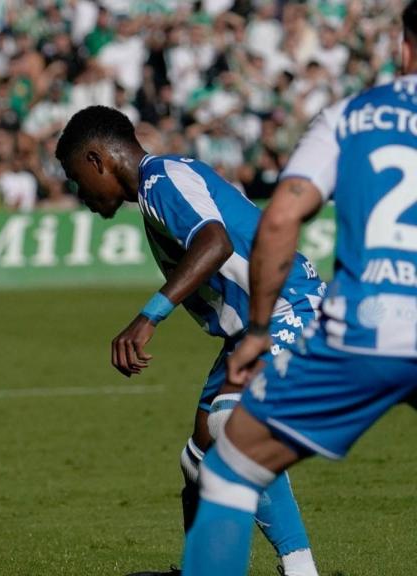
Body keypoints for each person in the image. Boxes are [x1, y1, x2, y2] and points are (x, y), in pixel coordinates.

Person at [182, 2, 417, 574]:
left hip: (362, 329)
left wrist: (260, 328)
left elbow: (282, 220)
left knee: (232, 461)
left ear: (404, 49)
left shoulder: (352, 116)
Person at [54, 106, 323, 576]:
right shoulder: (160, 187)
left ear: (97, 159)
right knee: (198, 460)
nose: (81, 194)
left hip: (289, 306)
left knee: (229, 426)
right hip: (249, 330)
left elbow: (214, 242)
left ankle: (301, 569)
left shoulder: (161, 181)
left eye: (77, 179)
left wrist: (147, 317)